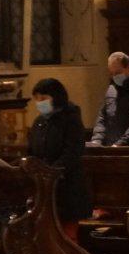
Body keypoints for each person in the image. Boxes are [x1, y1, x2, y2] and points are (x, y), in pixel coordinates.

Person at [28, 78, 91, 242]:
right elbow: (33, 151)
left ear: (56, 97)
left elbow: (73, 151)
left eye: (44, 98)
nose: (39, 103)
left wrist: (53, 172)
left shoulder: (71, 119)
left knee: (67, 237)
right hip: (44, 188)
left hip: (67, 186)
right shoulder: (39, 122)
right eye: (37, 99)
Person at [92, 52, 129, 146]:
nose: (114, 76)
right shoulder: (112, 89)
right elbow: (102, 117)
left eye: (117, 73)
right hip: (112, 147)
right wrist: (97, 140)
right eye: (111, 73)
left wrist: (120, 144)